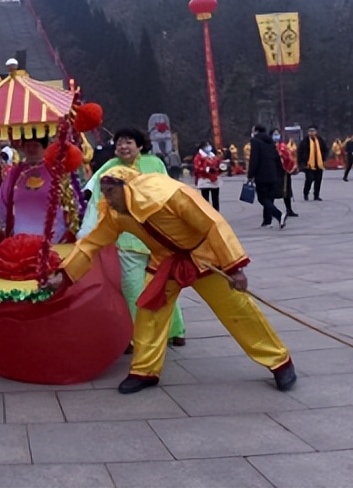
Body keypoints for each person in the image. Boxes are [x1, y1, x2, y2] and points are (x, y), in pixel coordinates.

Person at [48, 167, 297, 394]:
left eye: (111, 192)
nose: (108, 199)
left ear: (128, 188)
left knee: (238, 310)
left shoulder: (169, 195)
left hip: (204, 257)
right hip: (164, 263)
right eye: (105, 193)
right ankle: (144, 371)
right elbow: (91, 244)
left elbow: (213, 223)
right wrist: (65, 274)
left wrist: (235, 267)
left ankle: (279, 362)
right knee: (149, 313)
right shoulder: (116, 214)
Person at [81, 128, 186, 346]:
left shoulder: (154, 163)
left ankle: (175, 330)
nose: (123, 147)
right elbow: (95, 199)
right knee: (133, 288)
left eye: (128, 142)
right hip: (128, 239)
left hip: (159, 236)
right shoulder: (109, 168)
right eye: (119, 143)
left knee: (166, 284)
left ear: (140, 145)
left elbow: (170, 193)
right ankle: (138, 335)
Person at [0, 136, 68, 241]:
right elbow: (3, 204)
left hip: (54, 240)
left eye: (35, 145)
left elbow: (69, 204)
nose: (31, 149)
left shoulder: (56, 172)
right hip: (20, 241)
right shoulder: (14, 174)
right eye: (28, 145)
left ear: (45, 147)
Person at [247, 125, 286, 229]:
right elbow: (277, 158)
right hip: (273, 175)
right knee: (269, 198)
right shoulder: (271, 142)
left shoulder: (255, 141)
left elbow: (254, 159)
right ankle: (267, 221)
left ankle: (278, 214)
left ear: (256, 131)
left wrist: (250, 174)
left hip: (261, 175)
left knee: (262, 198)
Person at [298, 126, 329, 201]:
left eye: (313, 131)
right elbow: (300, 153)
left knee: (318, 180)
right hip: (308, 165)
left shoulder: (320, 140)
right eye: (310, 131)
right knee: (309, 179)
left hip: (319, 164)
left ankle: (316, 195)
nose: (312, 133)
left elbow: (325, 150)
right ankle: (306, 193)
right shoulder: (304, 141)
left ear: (316, 132)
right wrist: (301, 163)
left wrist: (324, 158)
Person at [273, 129, 299, 218]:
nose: (276, 136)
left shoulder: (283, 146)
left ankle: (289, 209)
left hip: (284, 171)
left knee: (287, 191)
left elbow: (290, 156)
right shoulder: (269, 146)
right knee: (272, 191)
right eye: (274, 134)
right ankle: (271, 210)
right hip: (273, 171)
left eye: (277, 134)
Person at [192, 141, 221, 211]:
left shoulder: (212, 155)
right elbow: (197, 168)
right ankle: (207, 213)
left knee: (215, 199)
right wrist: (207, 169)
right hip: (204, 180)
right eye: (207, 145)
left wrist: (220, 168)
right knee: (205, 200)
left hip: (214, 180)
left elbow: (218, 164)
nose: (209, 147)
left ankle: (216, 213)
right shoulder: (199, 157)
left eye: (209, 145)